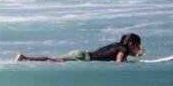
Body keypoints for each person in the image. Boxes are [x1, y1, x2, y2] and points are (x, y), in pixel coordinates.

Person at [16, 33, 146, 63]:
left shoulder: (118, 45)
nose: (139, 47)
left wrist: (137, 55)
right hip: (82, 57)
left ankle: (25, 58)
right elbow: (119, 62)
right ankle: (25, 58)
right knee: (52, 61)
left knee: (54, 60)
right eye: (138, 45)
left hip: (82, 54)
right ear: (131, 44)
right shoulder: (122, 50)